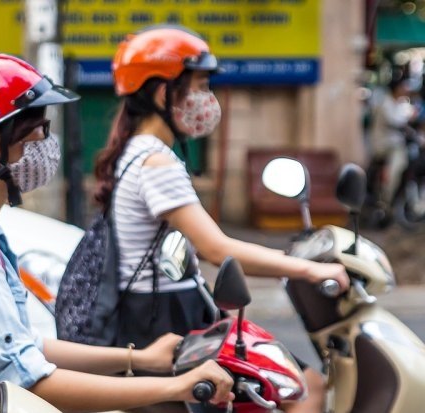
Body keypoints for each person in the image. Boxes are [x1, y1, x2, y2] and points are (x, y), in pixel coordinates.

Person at [0, 54, 234, 412]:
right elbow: (27, 381)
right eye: (37, 134)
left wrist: (140, 358)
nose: (46, 148)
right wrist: (177, 385)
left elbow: (19, 343)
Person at [94, 25, 351, 412]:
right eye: (199, 85)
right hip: (162, 318)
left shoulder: (135, 151)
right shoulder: (156, 162)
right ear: (164, 91)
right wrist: (310, 270)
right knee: (303, 388)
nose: (206, 99)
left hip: (156, 310)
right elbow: (217, 248)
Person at [367, 76, 419, 208]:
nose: (406, 90)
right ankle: (386, 195)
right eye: (403, 87)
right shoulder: (385, 103)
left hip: (394, 144)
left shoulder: (398, 104)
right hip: (384, 146)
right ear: (396, 88)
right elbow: (396, 122)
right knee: (399, 162)